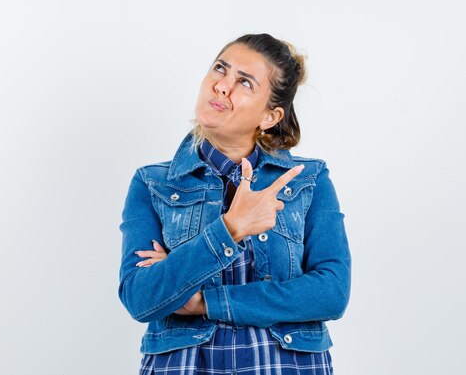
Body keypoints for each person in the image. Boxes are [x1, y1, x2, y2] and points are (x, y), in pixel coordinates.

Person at [118, 33, 352, 375]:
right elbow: (141, 298)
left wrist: (204, 300)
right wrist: (231, 228)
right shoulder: (153, 184)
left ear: (270, 116)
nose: (222, 86)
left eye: (244, 82)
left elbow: (330, 292)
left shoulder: (308, 181)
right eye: (220, 69)